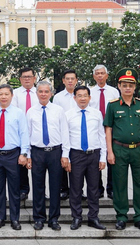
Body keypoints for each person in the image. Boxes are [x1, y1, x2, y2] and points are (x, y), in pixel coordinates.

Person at [104, 68, 140, 231]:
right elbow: (108, 130)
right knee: (119, 184)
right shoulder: (112, 106)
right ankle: (121, 216)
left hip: (139, 149)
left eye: (130, 86)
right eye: (124, 85)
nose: (127, 88)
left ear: (134, 88)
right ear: (119, 86)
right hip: (119, 149)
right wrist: (110, 151)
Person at [26, 81, 70, 231]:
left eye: (46, 91)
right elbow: (28, 134)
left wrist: (65, 154)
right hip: (37, 152)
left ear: (51, 93)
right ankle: (39, 218)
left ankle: (54, 219)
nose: (43, 94)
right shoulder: (31, 111)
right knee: (38, 187)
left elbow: (65, 133)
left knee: (55, 187)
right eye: (40, 91)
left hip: (55, 152)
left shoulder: (58, 110)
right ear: (36, 93)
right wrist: (28, 155)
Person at [0, 84, 29, 231]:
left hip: (13, 155)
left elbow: (24, 133)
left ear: (11, 96)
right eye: (1, 94)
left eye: (6, 94)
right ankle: (0, 217)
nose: (3, 97)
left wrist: (24, 154)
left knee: (14, 189)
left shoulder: (18, 113)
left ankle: (15, 219)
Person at [64, 86, 106, 231]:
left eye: (85, 95)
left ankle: (93, 217)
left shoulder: (96, 113)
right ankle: (76, 217)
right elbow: (66, 138)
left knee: (94, 188)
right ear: (74, 98)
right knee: (75, 188)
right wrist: (66, 158)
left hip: (93, 154)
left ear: (89, 97)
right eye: (79, 95)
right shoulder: (68, 115)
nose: (82, 98)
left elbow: (102, 135)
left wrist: (103, 157)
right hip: (76, 155)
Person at [88, 64, 119, 199]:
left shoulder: (114, 91)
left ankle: (111, 188)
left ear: (107, 75)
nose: (100, 75)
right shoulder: (90, 92)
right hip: (95, 129)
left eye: (102, 73)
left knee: (112, 158)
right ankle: (98, 188)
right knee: (96, 159)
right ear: (94, 76)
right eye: (97, 73)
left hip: (111, 128)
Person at [11, 67, 38, 201]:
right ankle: (23, 190)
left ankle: (40, 191)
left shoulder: (40, 92)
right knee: (21, 162)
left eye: (29, 76)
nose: (27, 79)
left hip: (36, 131)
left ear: (34, 78)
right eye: (24, 77)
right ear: (20, 79)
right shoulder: (14, 94)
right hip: (20, 132)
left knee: (36, 163)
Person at [53, 69, 77, 200]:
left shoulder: (80, 94)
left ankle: (76, 189)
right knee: (63, 160)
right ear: (63, 81)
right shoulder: (58, 97)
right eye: (67, 79)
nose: (70, 81)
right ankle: (64, 189)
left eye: (72, 78)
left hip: (77, 132)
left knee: (76, 163)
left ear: (76, 80)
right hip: (63, 131)